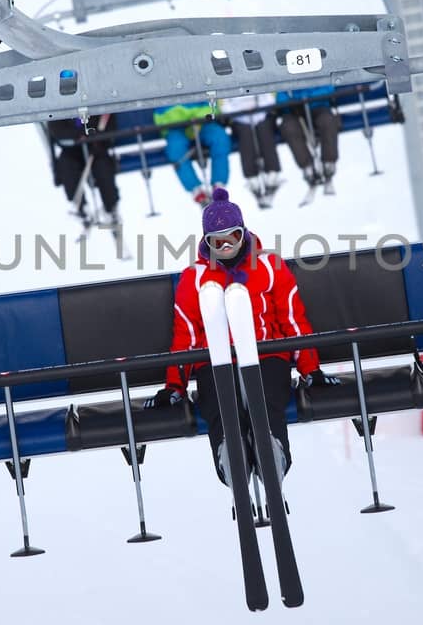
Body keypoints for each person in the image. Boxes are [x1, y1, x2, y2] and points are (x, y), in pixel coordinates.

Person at [142, 187, 338, 485]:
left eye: (231, 237)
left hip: (266, 354)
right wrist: (174, 386)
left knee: (266, 394)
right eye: (216, 241)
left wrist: (310, 370)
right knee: (220, 401)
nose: (225, 246)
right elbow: (187, 336)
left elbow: (292, 320)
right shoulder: (194, 279)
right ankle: (229, 454)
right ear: (206, 242)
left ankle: (271, 450)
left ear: (243, 234)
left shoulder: (269, 267)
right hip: (215, 360)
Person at [154, 100, 231, 207]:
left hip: (203, 122)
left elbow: (212, 102)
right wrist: (187, 119)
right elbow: (160, 114)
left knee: (219, 138)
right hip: (176, 127)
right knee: (175, 148)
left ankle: (219, 184)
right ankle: (196, 190)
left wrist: (200, 117)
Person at [47, 115, 120, 227]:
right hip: (71, 148)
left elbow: (110, 123)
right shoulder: (60, 107)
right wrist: (78, 135)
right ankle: (81, 208)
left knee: (103, 168)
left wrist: (99, 137)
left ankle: (111, 207)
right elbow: (55, 128)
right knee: (67, 166)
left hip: (96, 146)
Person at [276, 85, 342, 195]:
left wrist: (307, 97)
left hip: (318, 104)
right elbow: (279, 94)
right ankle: (307, 167)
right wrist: (290, 101)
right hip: (294, 110)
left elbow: (328, 86)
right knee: (288, 126)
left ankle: (329, 164)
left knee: (327, 121)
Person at [222, 93, 282, 207]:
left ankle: (272, 174)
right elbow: (223, 104)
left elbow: (269, 96)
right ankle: (252, 178)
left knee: (265, 132)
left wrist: (259, 109)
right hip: (239, 118)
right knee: (245, 136)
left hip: (262, 113)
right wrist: (238, 113)